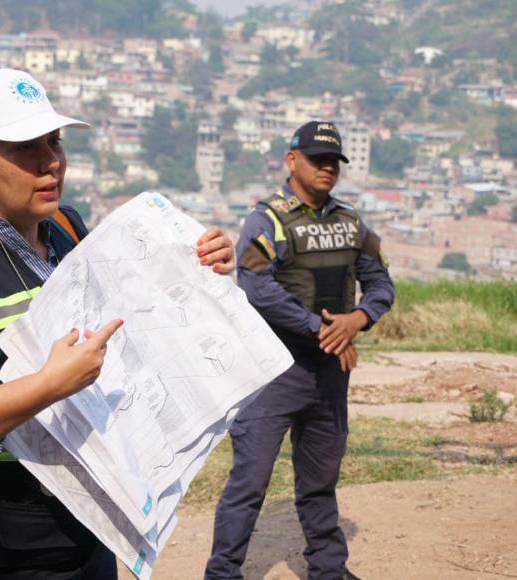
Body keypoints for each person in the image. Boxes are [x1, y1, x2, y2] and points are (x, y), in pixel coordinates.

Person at [0, 68, 235, 579]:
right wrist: (47, 385)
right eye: (27, 148)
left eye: (53, 141)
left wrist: (203, 262)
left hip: (83, 532)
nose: (52, 161)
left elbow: (130, 317)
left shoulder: (67, 234)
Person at [204, 121, 395, 580]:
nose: (328, 168)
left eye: (334, 161)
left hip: (330, 373)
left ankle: (329, 570)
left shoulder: (351, 223)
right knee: (249, 483)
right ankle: (222, 573)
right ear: (292, 161)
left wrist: (358, 319)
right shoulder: (266, 220)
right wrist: (321, 329)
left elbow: (381, 283)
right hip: (273, 372)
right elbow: (256, 287)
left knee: (320, 482)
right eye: (317, 159)